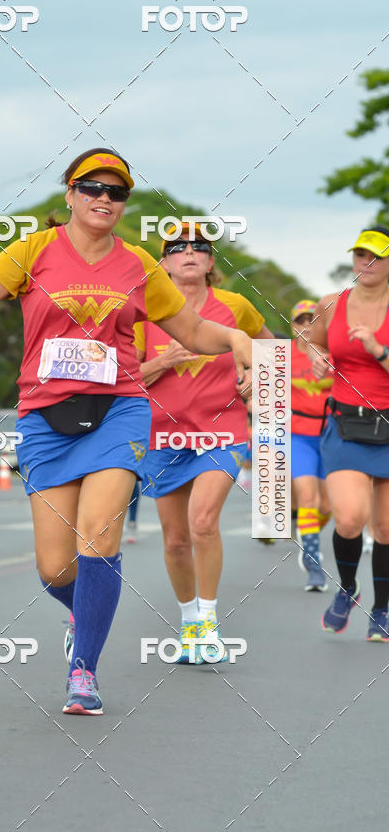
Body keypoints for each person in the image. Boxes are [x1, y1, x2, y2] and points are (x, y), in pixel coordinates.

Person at [0, 148, 252, 714]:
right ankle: (84, 611)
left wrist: (238, 342)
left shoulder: (138, 266)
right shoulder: (34, 250)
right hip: (45, 418)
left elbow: (194, 330)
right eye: (92, 188)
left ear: (125, 204)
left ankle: (84, 670)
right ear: (70, 195)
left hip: (120, 410)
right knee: (55, 566)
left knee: (99, 538)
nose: (104, 199)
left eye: (117, 192)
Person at [134, 225, 273, 664]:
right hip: (163, 435)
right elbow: (125, 379)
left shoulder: (235, 308)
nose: (189, 253)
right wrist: (164, 359)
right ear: (164, 263)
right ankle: (190, 619)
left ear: (211, 263)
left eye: (199, 248)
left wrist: (258, 379)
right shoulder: (144, 312)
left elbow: (272, 350)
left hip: (222, 432)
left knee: (202, 522)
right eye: (177, 248)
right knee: (175, 540)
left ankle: (209, 622)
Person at [309, 226, 389, 640]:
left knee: (387, 528)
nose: (367, 264)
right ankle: (348, 588)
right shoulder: (331, 304)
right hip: (346, 423)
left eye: (376, 256)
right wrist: (319, 358)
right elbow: (314, 342)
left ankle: (383, 610)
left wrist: (379, 350)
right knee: (349, 518)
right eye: (361, 255)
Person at [289, 300, 333, 591]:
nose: (305, 327)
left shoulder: (334, 356)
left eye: (311, 321)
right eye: (299, 321)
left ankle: (308, 534)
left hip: (332, 435)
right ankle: (314, 563)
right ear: (292, 326)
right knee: (308, 498)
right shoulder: (282, 356)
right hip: (296, 434)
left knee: (330, 506)